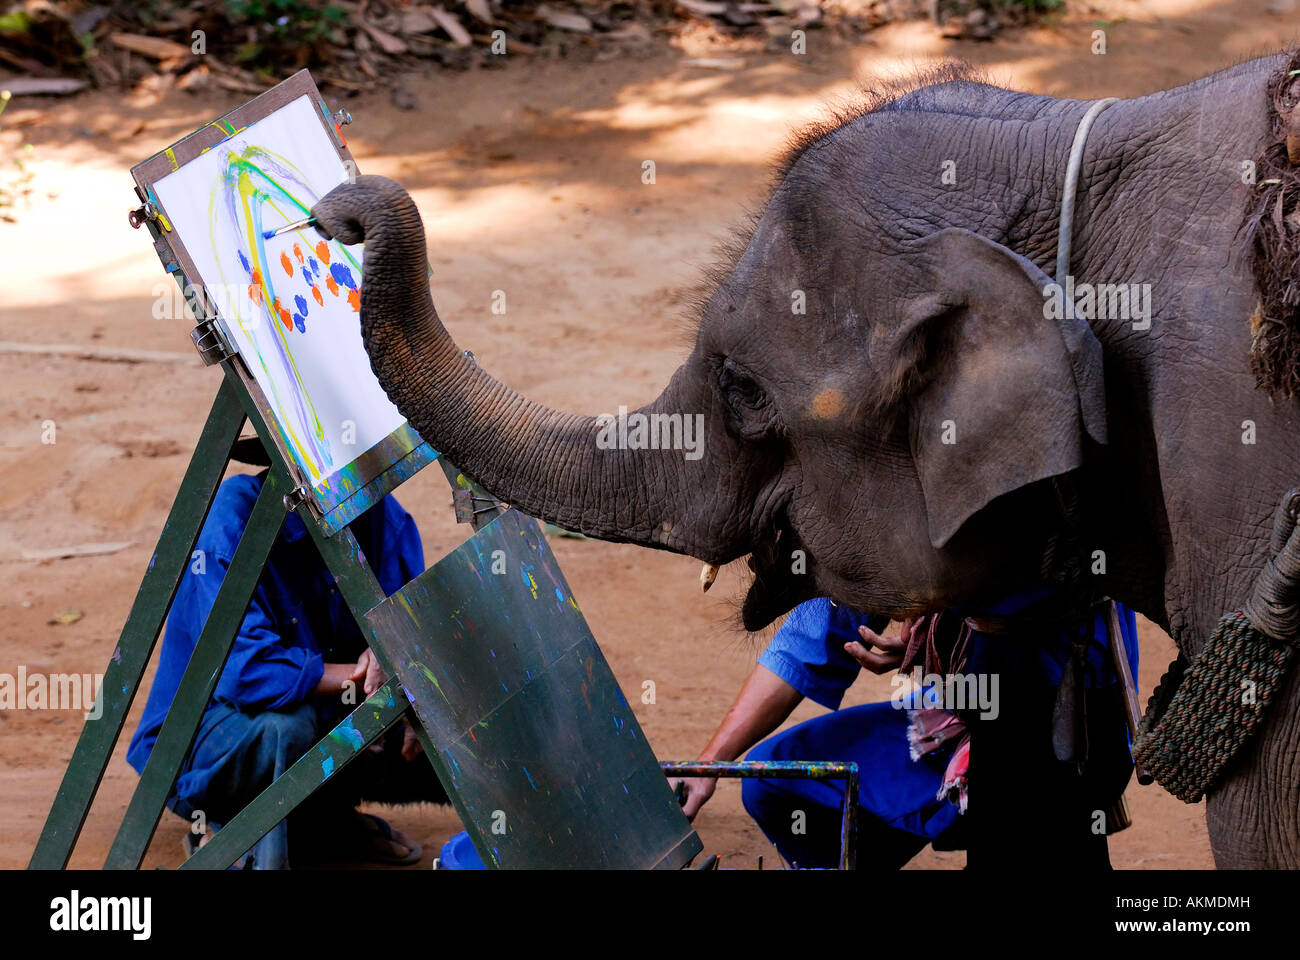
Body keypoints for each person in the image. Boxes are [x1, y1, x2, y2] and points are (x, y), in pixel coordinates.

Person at [127, 459, 447, 869]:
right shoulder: (234, 519)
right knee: (289, 730)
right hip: (215, 736)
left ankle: (319, 821)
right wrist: (374, 675)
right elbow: (246, 674)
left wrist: (408, 682)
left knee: (452, 722)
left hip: (336, 712)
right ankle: (240, 829)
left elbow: (410, 635)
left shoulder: (385, 520)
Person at [670, 595, 1138, 869]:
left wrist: (939, 619)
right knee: (774, 780)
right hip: (949, 721)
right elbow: (820, 627)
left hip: (1058, 735)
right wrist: (708, 765)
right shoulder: (887, 488)